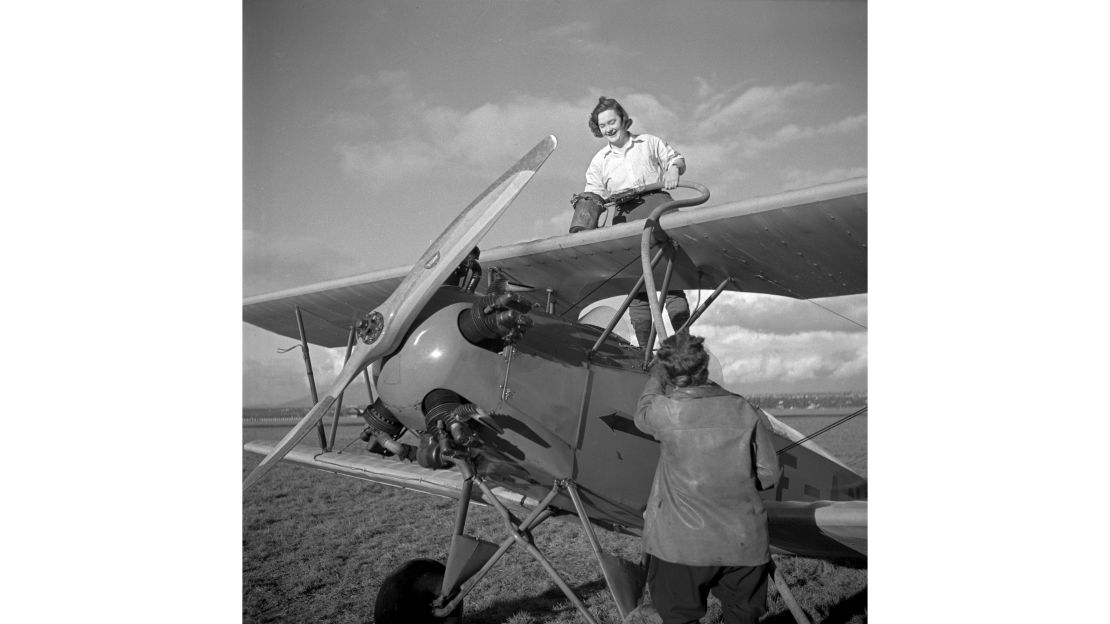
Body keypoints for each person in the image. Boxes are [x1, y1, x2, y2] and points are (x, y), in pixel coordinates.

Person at [634, 332, 780, 624]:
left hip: (680, 546)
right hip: (743, 542)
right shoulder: (743, 409)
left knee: (679, 617)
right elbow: (769, 474)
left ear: (668, 372)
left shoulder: (664, 412)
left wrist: (657, 375)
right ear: (705, 366)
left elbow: (643, 411)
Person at [581, 96, 690, 348]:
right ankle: (645, 353)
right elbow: (592, 194)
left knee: (671, 283)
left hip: (658, 209)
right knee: (637, 289)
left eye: (612, 121)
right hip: (625, 218)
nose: (608, 128)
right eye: (603, 125)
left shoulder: (648, 142)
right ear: (598, 129)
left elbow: (676, 159)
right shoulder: (600, 160)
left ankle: (684, 348)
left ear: (623, 120)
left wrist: (673, 169)